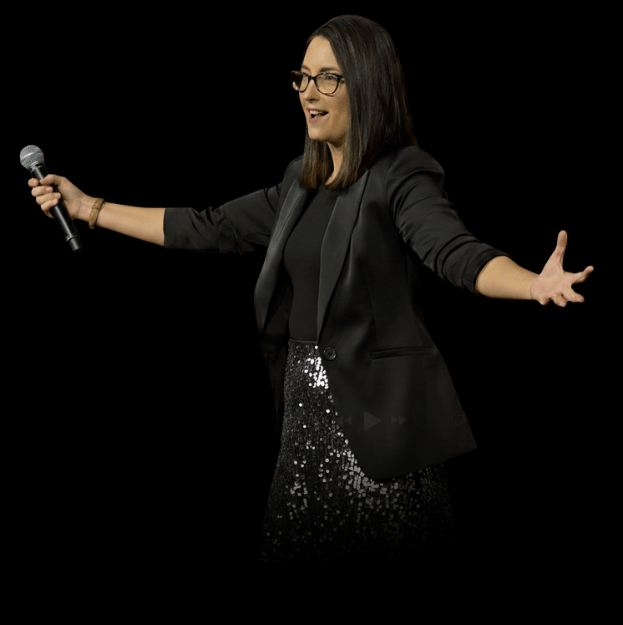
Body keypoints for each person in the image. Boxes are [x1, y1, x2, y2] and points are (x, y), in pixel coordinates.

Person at [27, 15, 594, 562]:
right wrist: (89, 208)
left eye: (328, 78)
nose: (308, 92)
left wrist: (531, 284)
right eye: (302, 77)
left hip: (376, 432)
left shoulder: (402, 173)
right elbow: (208, 226)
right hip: (304, 429)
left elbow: (453, 251)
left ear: (366, 85)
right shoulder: (301, 182)